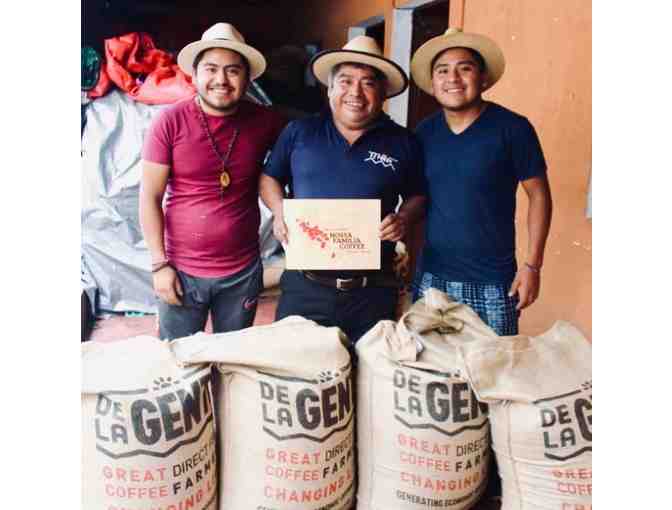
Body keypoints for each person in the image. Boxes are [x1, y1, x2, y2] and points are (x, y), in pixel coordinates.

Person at [260, 36, 426, 344]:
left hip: (373, 291)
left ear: (383, 92)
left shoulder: (403, 141)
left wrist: (403, 218)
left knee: (369, 370)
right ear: (330, 88)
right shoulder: (300, 132)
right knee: (298, 365)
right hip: (304, 287)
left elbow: (418, 194)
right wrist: (280, 211)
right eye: (346, 81)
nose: (355, 93)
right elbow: (270, 177)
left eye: (368, 83)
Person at [139, 22, 285, 340]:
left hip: (242, 273)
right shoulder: (169, 121)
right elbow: (149, 196)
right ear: (195, 75)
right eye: (211, 69)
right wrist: (159, 265)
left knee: (232, 358)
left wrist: (283, 210)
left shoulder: (266, 121)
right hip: (181, 271)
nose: (221, 80)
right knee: (178, 360)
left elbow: (292, 164)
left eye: (233, 70)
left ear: (247, 78)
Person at [409, 28, 553, 336]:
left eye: (465, 68)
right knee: (430, 364)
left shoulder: (512, 128)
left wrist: (532, 266)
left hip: (493, 282)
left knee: (496, 363)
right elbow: (419, 198)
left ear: (483, 78)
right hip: (432, 278)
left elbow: (539, 195)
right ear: (432, 83)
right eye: (442, 70)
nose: (453, 78)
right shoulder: (424, 133)